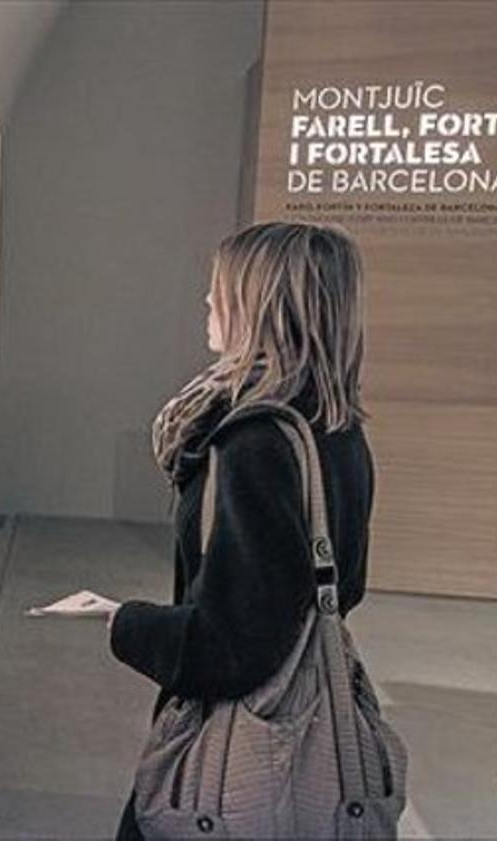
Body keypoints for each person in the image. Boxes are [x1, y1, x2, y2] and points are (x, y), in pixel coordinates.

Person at [94, 221, 375, 839]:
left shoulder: (255, 441)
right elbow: (340, 588)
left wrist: (125, 622)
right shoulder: (334, 428)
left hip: (237, 751)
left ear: (262, 305)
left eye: (220, 289)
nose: (207, 302)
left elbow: (232, 649)